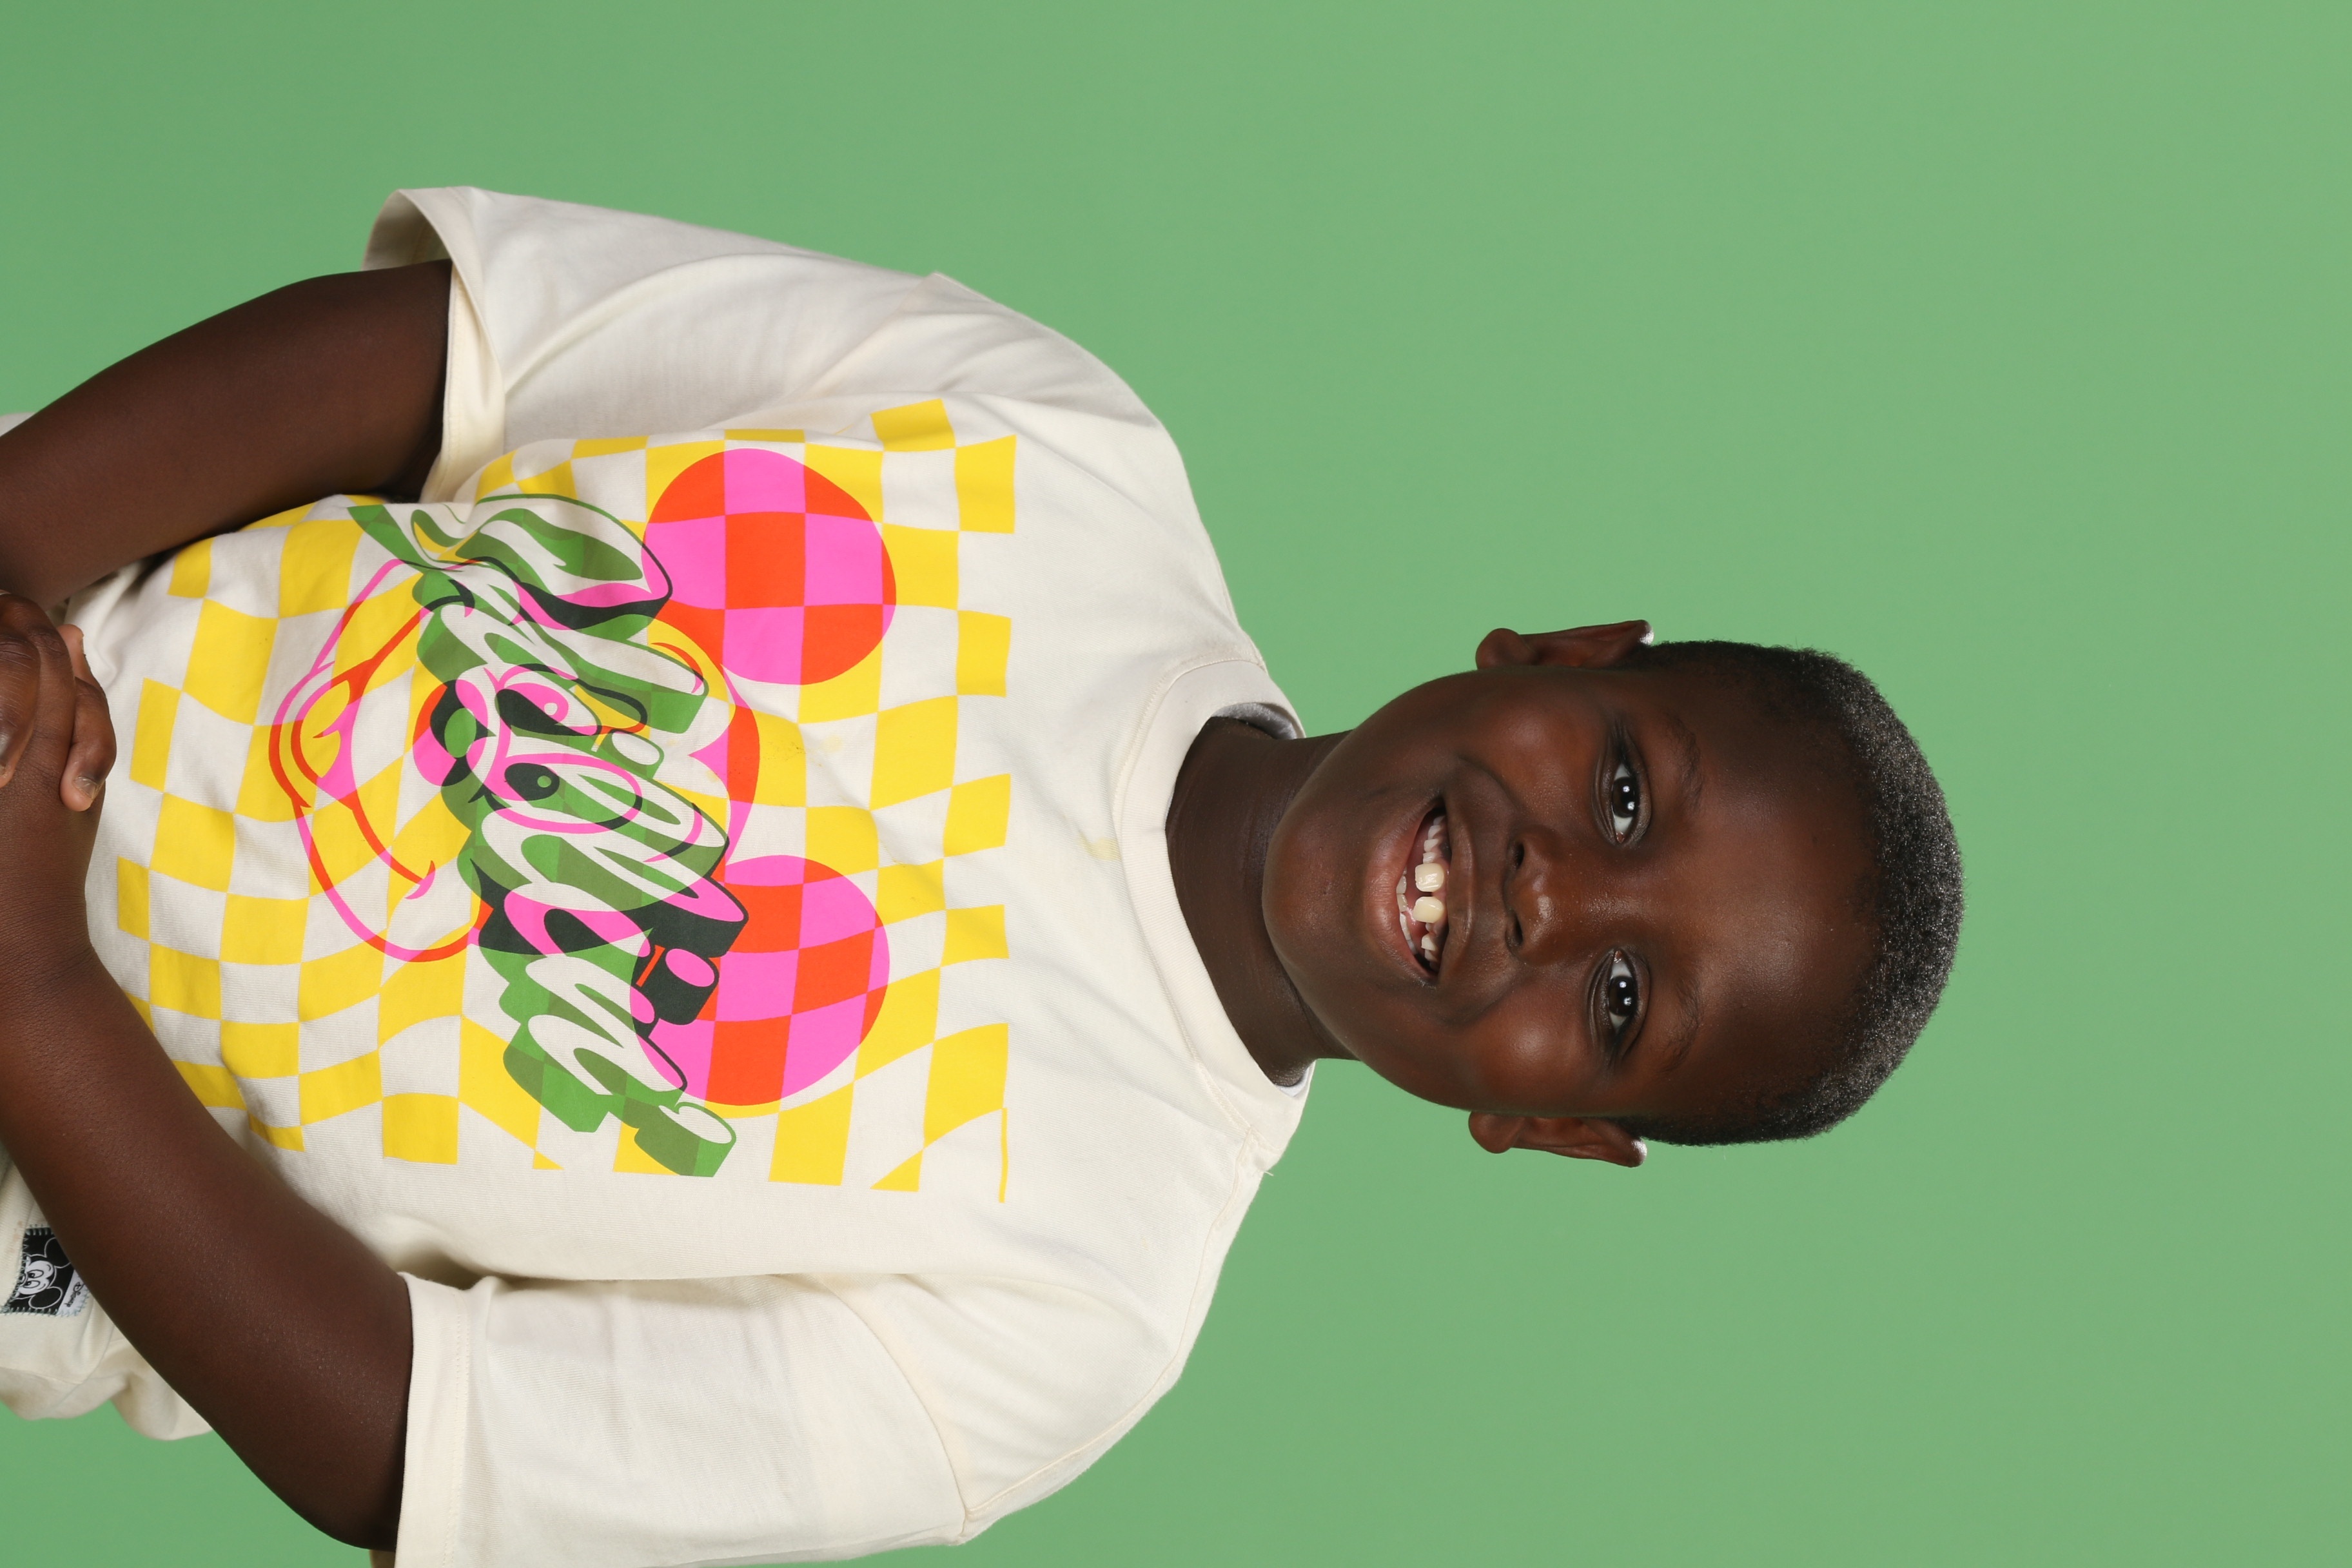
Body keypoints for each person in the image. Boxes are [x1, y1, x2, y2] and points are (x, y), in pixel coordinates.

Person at [0, 190, 1963, 1566]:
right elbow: (459, 359)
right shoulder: (1061, 451)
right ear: (1557, 652)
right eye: (1622, 793)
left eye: (1621, 1004)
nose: (1556, 898)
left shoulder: (1075, 1314)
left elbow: (411, 1439)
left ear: (1542, 1126)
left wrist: (35, 984)